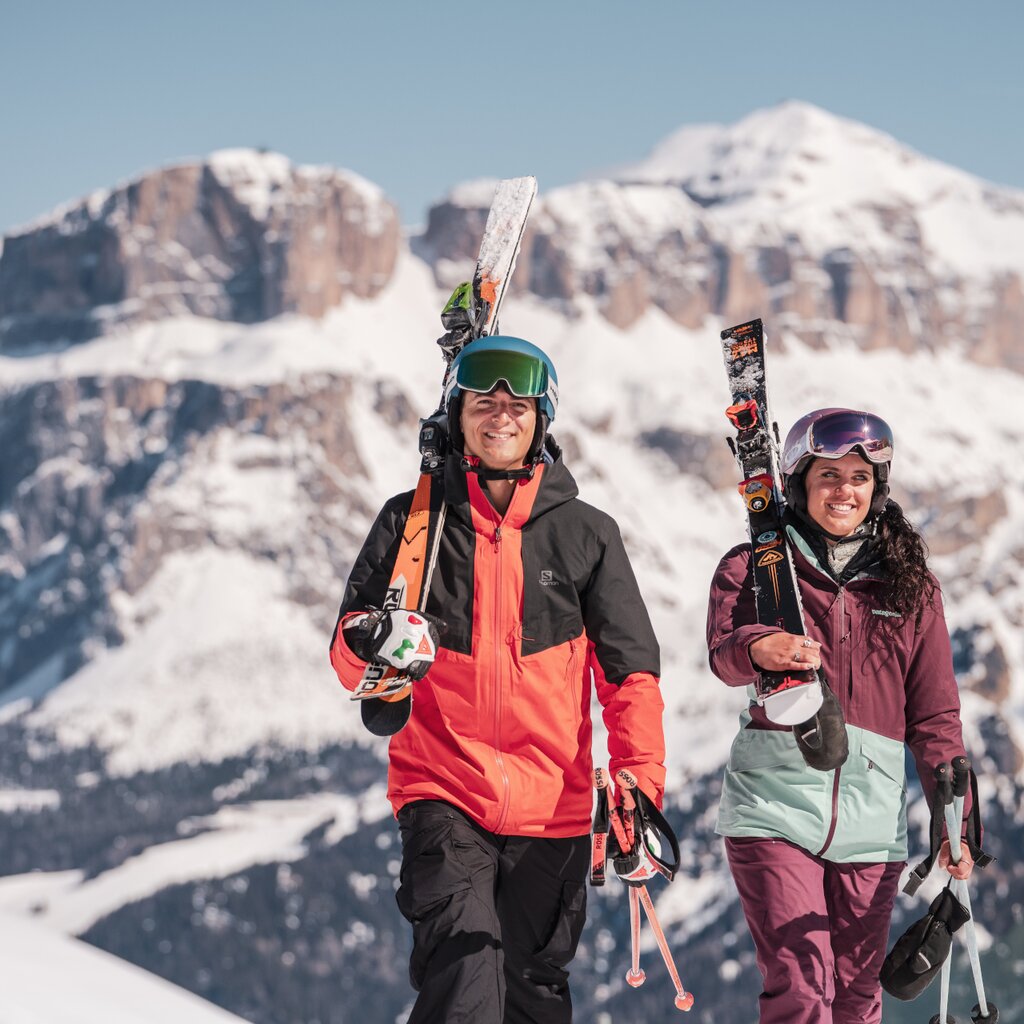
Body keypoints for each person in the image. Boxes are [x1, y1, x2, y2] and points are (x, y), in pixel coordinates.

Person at [329, 335, 665, 1024]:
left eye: (519, 404)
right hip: (443, 791)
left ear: (543, 419)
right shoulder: (412, 522)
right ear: (457, 416)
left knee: (533, 993)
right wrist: (375, 646)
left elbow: (630, 675)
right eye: (483, 401)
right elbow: (347, 650)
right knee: (466, 972)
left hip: (557, 809)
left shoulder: (587, 534)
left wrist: (637, 786)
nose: (501, 415)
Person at [706, 407, 973, 1024]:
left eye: (859, 476)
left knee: (856, 1000)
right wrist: (756, 648)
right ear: (799, 482)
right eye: (828, 475)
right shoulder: (754, 567)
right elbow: (723, 656)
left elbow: (935, 716)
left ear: (877, 487)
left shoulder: (910, 587)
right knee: (801, 988)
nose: (843, 490)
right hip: (771, 806)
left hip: (871, 822)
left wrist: (956, 821)